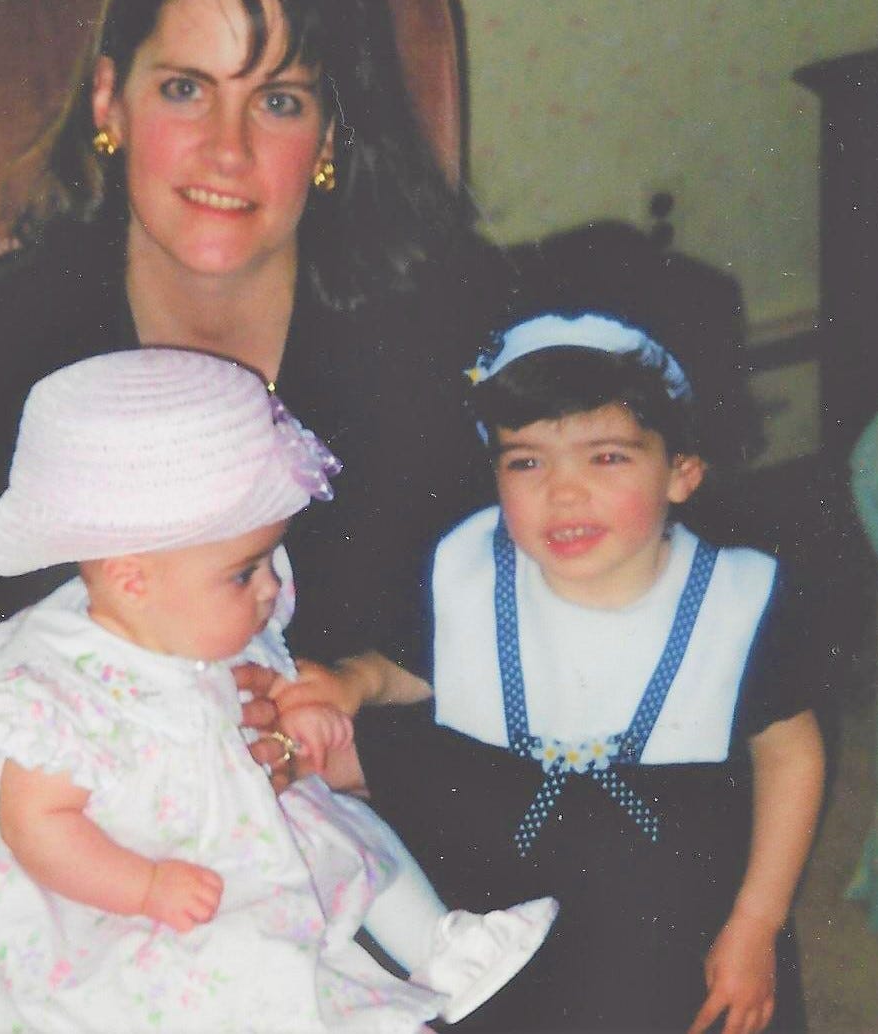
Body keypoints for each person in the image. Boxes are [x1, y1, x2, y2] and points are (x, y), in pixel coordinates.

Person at [0, 0, 501, 742]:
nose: (228, 150)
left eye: (281, 101)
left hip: (371, 801)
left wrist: (345, 750)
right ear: (111, 102)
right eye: (186, 90)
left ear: (331, 133)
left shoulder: (433, 326)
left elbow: (495, 644)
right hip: (91, 824)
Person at [0, 348, 556, 1032]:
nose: (271, 585)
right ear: (132, 579)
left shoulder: (198, 606)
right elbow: (36, 825)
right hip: (127, 877)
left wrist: (303, 714)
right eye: (247, 571)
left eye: (271, 557)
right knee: (229, 971)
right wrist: (144, 886)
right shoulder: (55, 685)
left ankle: (442, 944)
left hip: (240, 820)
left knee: (358, 839)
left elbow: (257, 694)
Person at [352, 309, 826, 1033]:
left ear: (682, 474)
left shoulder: (737, 601)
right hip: (504, 873)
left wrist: (757, 923)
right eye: (527, 462)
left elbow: (790, 756)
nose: (563, 492)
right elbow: (412, 668)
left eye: (606, 458)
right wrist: (354, 681)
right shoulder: (468, 569)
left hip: (671, 892)